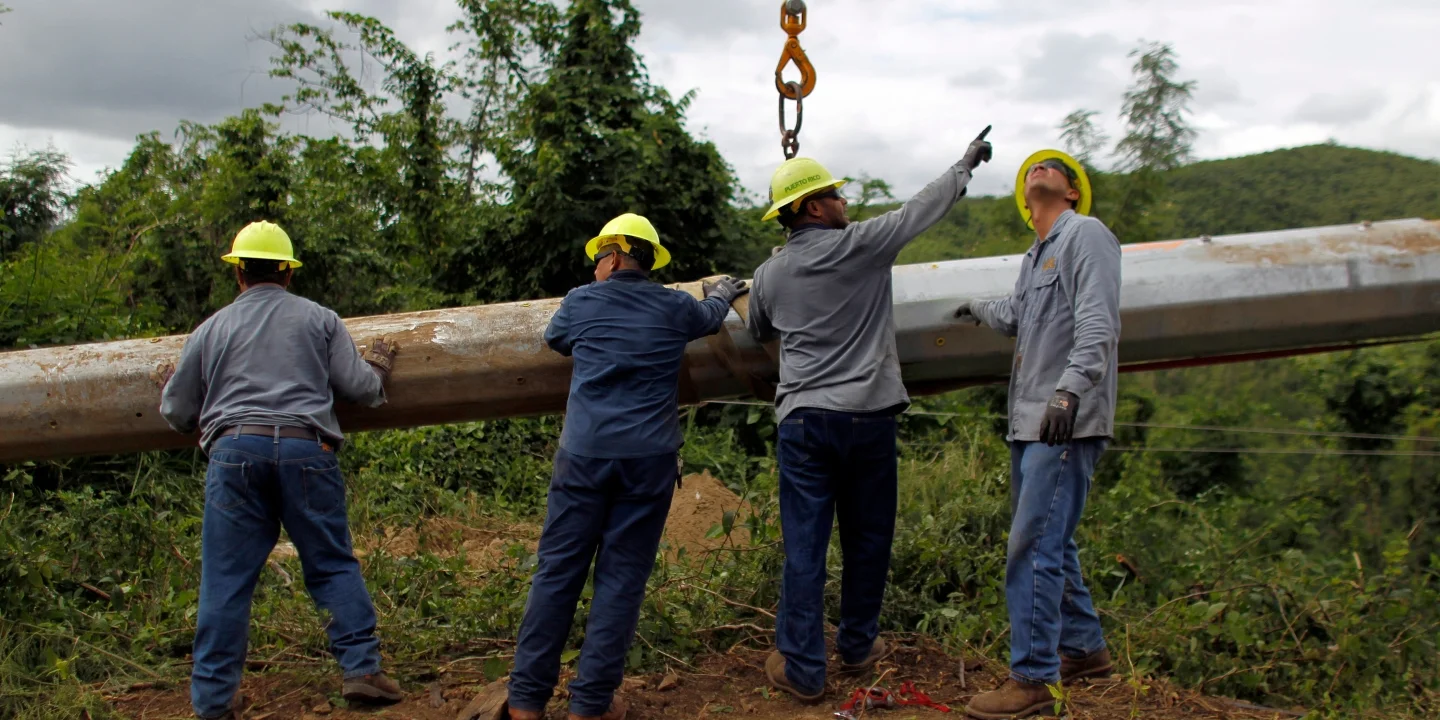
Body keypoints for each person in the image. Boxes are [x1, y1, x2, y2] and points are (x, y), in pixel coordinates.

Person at [746, 128, 994, 702]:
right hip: (869, 418)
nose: (844, 201)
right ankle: (857, 647)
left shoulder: (770, 273)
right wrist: (964, 165)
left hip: (805, 422)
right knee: (867, 539)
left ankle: (804, 671)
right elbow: (920, 210)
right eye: (834, 194)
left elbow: (760, 329)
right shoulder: (863, 245)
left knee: (804, 547)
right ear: (812, 206)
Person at [500, 213, 749, 720]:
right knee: (621, 580)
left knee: (557, 574)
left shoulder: (581, 301)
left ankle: (526, 703)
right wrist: (722, 290)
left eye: (598, 259)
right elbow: (712, 314)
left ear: (614, 256)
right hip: (648, 460)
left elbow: (557, 339)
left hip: (584, 457)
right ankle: (589, 705)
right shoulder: (675, 305)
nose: (594, 269)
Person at [159, 221, 403, 719]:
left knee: (226, 580)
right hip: (305, 450)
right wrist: (378, 368)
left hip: (234, 453)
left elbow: (178, 412)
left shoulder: (209, 330)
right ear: (288, 274)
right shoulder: (320, 320)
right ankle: (362, 671)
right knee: (331, 564)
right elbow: (360, 388)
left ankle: (212, 700)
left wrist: (172, 384)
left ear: (239, 274)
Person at [954, 151, 1121, 720]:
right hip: (1031, 421)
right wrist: (973, 305)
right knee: (1054, 539)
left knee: (1032, 545)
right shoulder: (1036, 256)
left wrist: (1069, 391)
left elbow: (1098, 322)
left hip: (1061, 417)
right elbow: (1017, 314)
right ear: (1026, 201)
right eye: (1031, 169)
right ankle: (1083, 650)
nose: (1039, 170)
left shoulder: (1086, 236)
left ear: (1073, 193)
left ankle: (1032, 679)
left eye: (1055, 169)